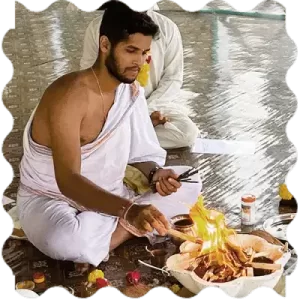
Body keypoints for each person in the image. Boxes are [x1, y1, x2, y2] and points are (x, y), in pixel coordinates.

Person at [16, 0, 202, 268]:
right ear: (105, 45)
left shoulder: (131, 93)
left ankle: (113, 229)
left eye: (145, 53)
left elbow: (141, 154)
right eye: (131, 51)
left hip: (111, 193)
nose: (139, 62)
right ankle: (126, 228)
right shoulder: (67, 96)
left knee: (190, 180)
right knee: (68, 240)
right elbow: (68, 181)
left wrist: (155, 174)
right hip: (51, 198)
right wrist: (129, 211)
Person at [80, 2, 200, 149]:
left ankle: (116, 141)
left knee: (186, 133)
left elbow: (173, 78)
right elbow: (90, 74)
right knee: (82, 127)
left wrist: (145, 111)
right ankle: (131, 138)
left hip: (154, 104)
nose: (139, 59)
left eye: (144, 52)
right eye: (131, 50)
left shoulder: (167, 28)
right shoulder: (98, 28)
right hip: (111, 105)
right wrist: (125, 112)